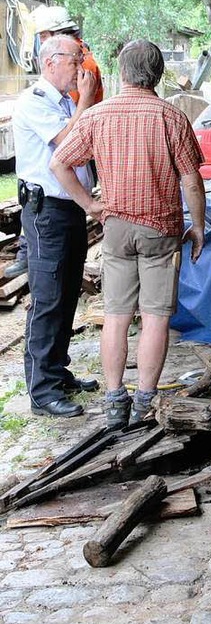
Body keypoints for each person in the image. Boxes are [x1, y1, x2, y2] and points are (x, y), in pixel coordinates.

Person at [51, 39, 206, 430]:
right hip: (160, 230)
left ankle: (114, 398)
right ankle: (145, 401)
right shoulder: (171, 118)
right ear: (158, 74)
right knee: (155, 318)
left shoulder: (96, 116)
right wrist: (199, 225)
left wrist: (89, 204)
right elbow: (191, 180)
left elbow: (59, 163)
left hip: (116, 229)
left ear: (122, 72)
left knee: (117, 316)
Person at [12, 34, 99, 418]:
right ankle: (42, 390)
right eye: (74, 60)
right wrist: (83, 102)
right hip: (45, 209)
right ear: (50, 62)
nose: (80, 68)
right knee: (47, 298)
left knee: (66, 293)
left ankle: (58, 371)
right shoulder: (34, 101)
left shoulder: (64, 101)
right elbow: (67, 140)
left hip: (68, 207)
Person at [5, 4, 104, 279]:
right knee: (51, 291)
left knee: (63, 288)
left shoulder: (79, 68)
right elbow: (66, 140)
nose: (77, 68)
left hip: (67, 190)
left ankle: (28, 253)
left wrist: (82, 101)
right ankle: (28, 252)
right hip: (49, 202)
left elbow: (70, 141)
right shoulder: (39, 97)